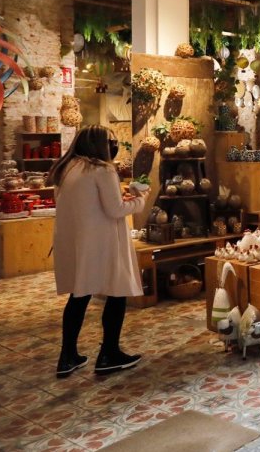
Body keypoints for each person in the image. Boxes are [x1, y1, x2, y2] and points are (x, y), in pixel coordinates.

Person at [50, 125, 150, 377]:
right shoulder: (102, 169)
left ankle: (67, 356)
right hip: (103, 241)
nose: (113, 147)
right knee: (117, 291)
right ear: (98, 145)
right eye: (110, 142)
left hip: (77, 241)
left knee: (79, 295)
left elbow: (87, 203)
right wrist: (141, 198)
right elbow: (115, 210)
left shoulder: (67, 168)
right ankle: (109, 353)